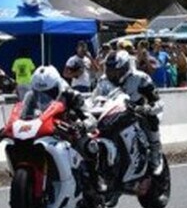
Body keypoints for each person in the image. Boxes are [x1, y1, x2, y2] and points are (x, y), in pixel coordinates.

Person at [26, 65, 105, 196]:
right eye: (39, 93)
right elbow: (22, 115)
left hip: (66, 131)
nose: (43, 97)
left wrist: (82, 125)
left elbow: (90, 118)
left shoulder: (71, 95)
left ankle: (95, 178)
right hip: (40, 130)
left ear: (57, 87)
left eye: (49, 93)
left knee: (89, 145)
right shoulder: (31, 96)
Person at [98, 51, 165, 173]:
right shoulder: (103, 81)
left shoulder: (140, 78)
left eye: (114, 71)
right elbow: (95, 99)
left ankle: (156, 153)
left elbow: (158, 102)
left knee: (151, 118)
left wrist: (146, 108)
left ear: (124, 68)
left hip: (134, 114)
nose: (111, 74)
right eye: (108, 69)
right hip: (111, 115)